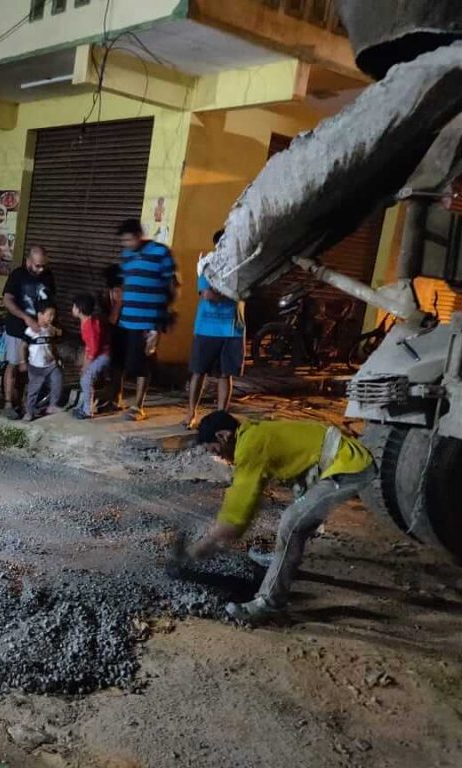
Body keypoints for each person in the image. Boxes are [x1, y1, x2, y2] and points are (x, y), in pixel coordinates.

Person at [168, 411, 376, 625]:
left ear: (223, 436)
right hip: (335, 462)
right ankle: (282, 561)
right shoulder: (253, 434)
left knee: (292, 522)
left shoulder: (251, 445)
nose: (219, 456)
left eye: (215, 450)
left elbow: (239, 506)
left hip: (349, 466)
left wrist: (205, 545)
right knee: (299, 518)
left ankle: (269, 603)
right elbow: (250, 498)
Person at [115, 218, 178, 421]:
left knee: (142, 363)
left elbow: (173, 284)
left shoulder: (161, 252)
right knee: (121, 362)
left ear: (138, 236)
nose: (125, 245)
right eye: (123, 241)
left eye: (128, 240)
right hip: (127, 319)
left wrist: (168, 312)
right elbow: (126, 284)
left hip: (148, 321)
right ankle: (116, 397)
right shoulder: (127, 255)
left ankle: (138, 406)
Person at [183, 230, 245, 430]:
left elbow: (248, 291)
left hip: (232, 329)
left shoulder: (243, 265)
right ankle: (191, 413)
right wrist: (232, 294)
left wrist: (226, 293)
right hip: (207, 328)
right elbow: (207, 294)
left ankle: (221, 416)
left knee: (225, 374)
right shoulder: (208, 264)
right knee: (198, 372)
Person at [2, 246, 56, 420]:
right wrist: (26, 318)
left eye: (43, 266)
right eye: (37, 266)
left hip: (39, 332)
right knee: (14, 364)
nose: (40, 269)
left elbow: (51, 302)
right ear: (28, 261)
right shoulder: (17, 275)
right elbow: (7, 300)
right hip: (17, 328)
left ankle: (27, 404)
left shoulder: (48, 276)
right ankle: (8, 403)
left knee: (33, 369)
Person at [71, 293, 112, 420]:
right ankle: (85, 407)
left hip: (102, 356)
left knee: (85, 380)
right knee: (86, 380)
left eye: (73, 306)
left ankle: (87, 411)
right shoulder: (89, 321)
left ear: (79, 309)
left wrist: (85, 365)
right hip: (102, 355)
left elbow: (93, 350)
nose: (72, 309)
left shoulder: (88, 326)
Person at [23, 300, 63, 421]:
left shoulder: (50, 329)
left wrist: (55, 355)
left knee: (58, 381)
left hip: (50, 364)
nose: (52, 317)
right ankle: (29, 412)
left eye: (53, 315)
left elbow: (54, 341)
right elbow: (22, 346)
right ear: (40, 315)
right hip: (36, 366)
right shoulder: (31, 330)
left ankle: (52, 405)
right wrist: (22, 361)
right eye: (49, 314)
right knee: (33, 390)